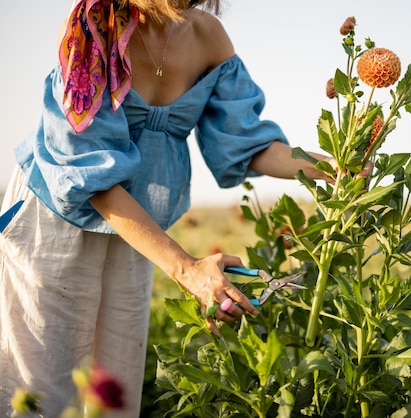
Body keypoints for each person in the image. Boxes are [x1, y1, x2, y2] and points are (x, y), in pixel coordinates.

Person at [0, 1, 369, 416]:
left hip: (139, 228)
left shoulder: (208, 36)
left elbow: (248, 143)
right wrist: (186, 268)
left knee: (115, 393)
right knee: (38, 393)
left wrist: (332, 165)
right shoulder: (93, 27)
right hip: (56, 218)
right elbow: (91, 176)